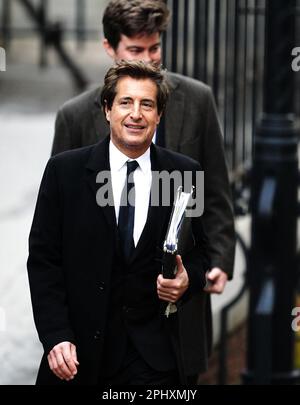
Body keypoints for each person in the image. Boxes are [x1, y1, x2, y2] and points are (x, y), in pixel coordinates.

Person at [28, 60, 211, 385]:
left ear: (159, 114)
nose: (136, 114)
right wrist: (56, 336)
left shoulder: (184, 174)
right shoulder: (64, 172)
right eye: (126, 102)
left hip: (154, 362)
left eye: (147, 104)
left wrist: (187, 280)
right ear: (107, 109)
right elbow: (44, 261)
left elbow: (202, 254)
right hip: (79, 356)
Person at [51, 0, 235, 295]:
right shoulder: (75, 116)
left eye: (155, 48)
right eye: (136, 50)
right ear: (109, 47)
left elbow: (215, 191)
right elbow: (59, 219)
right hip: (103, 297)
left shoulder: (198, 100)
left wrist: (220, 261)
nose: (149, 60)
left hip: (179, 291)